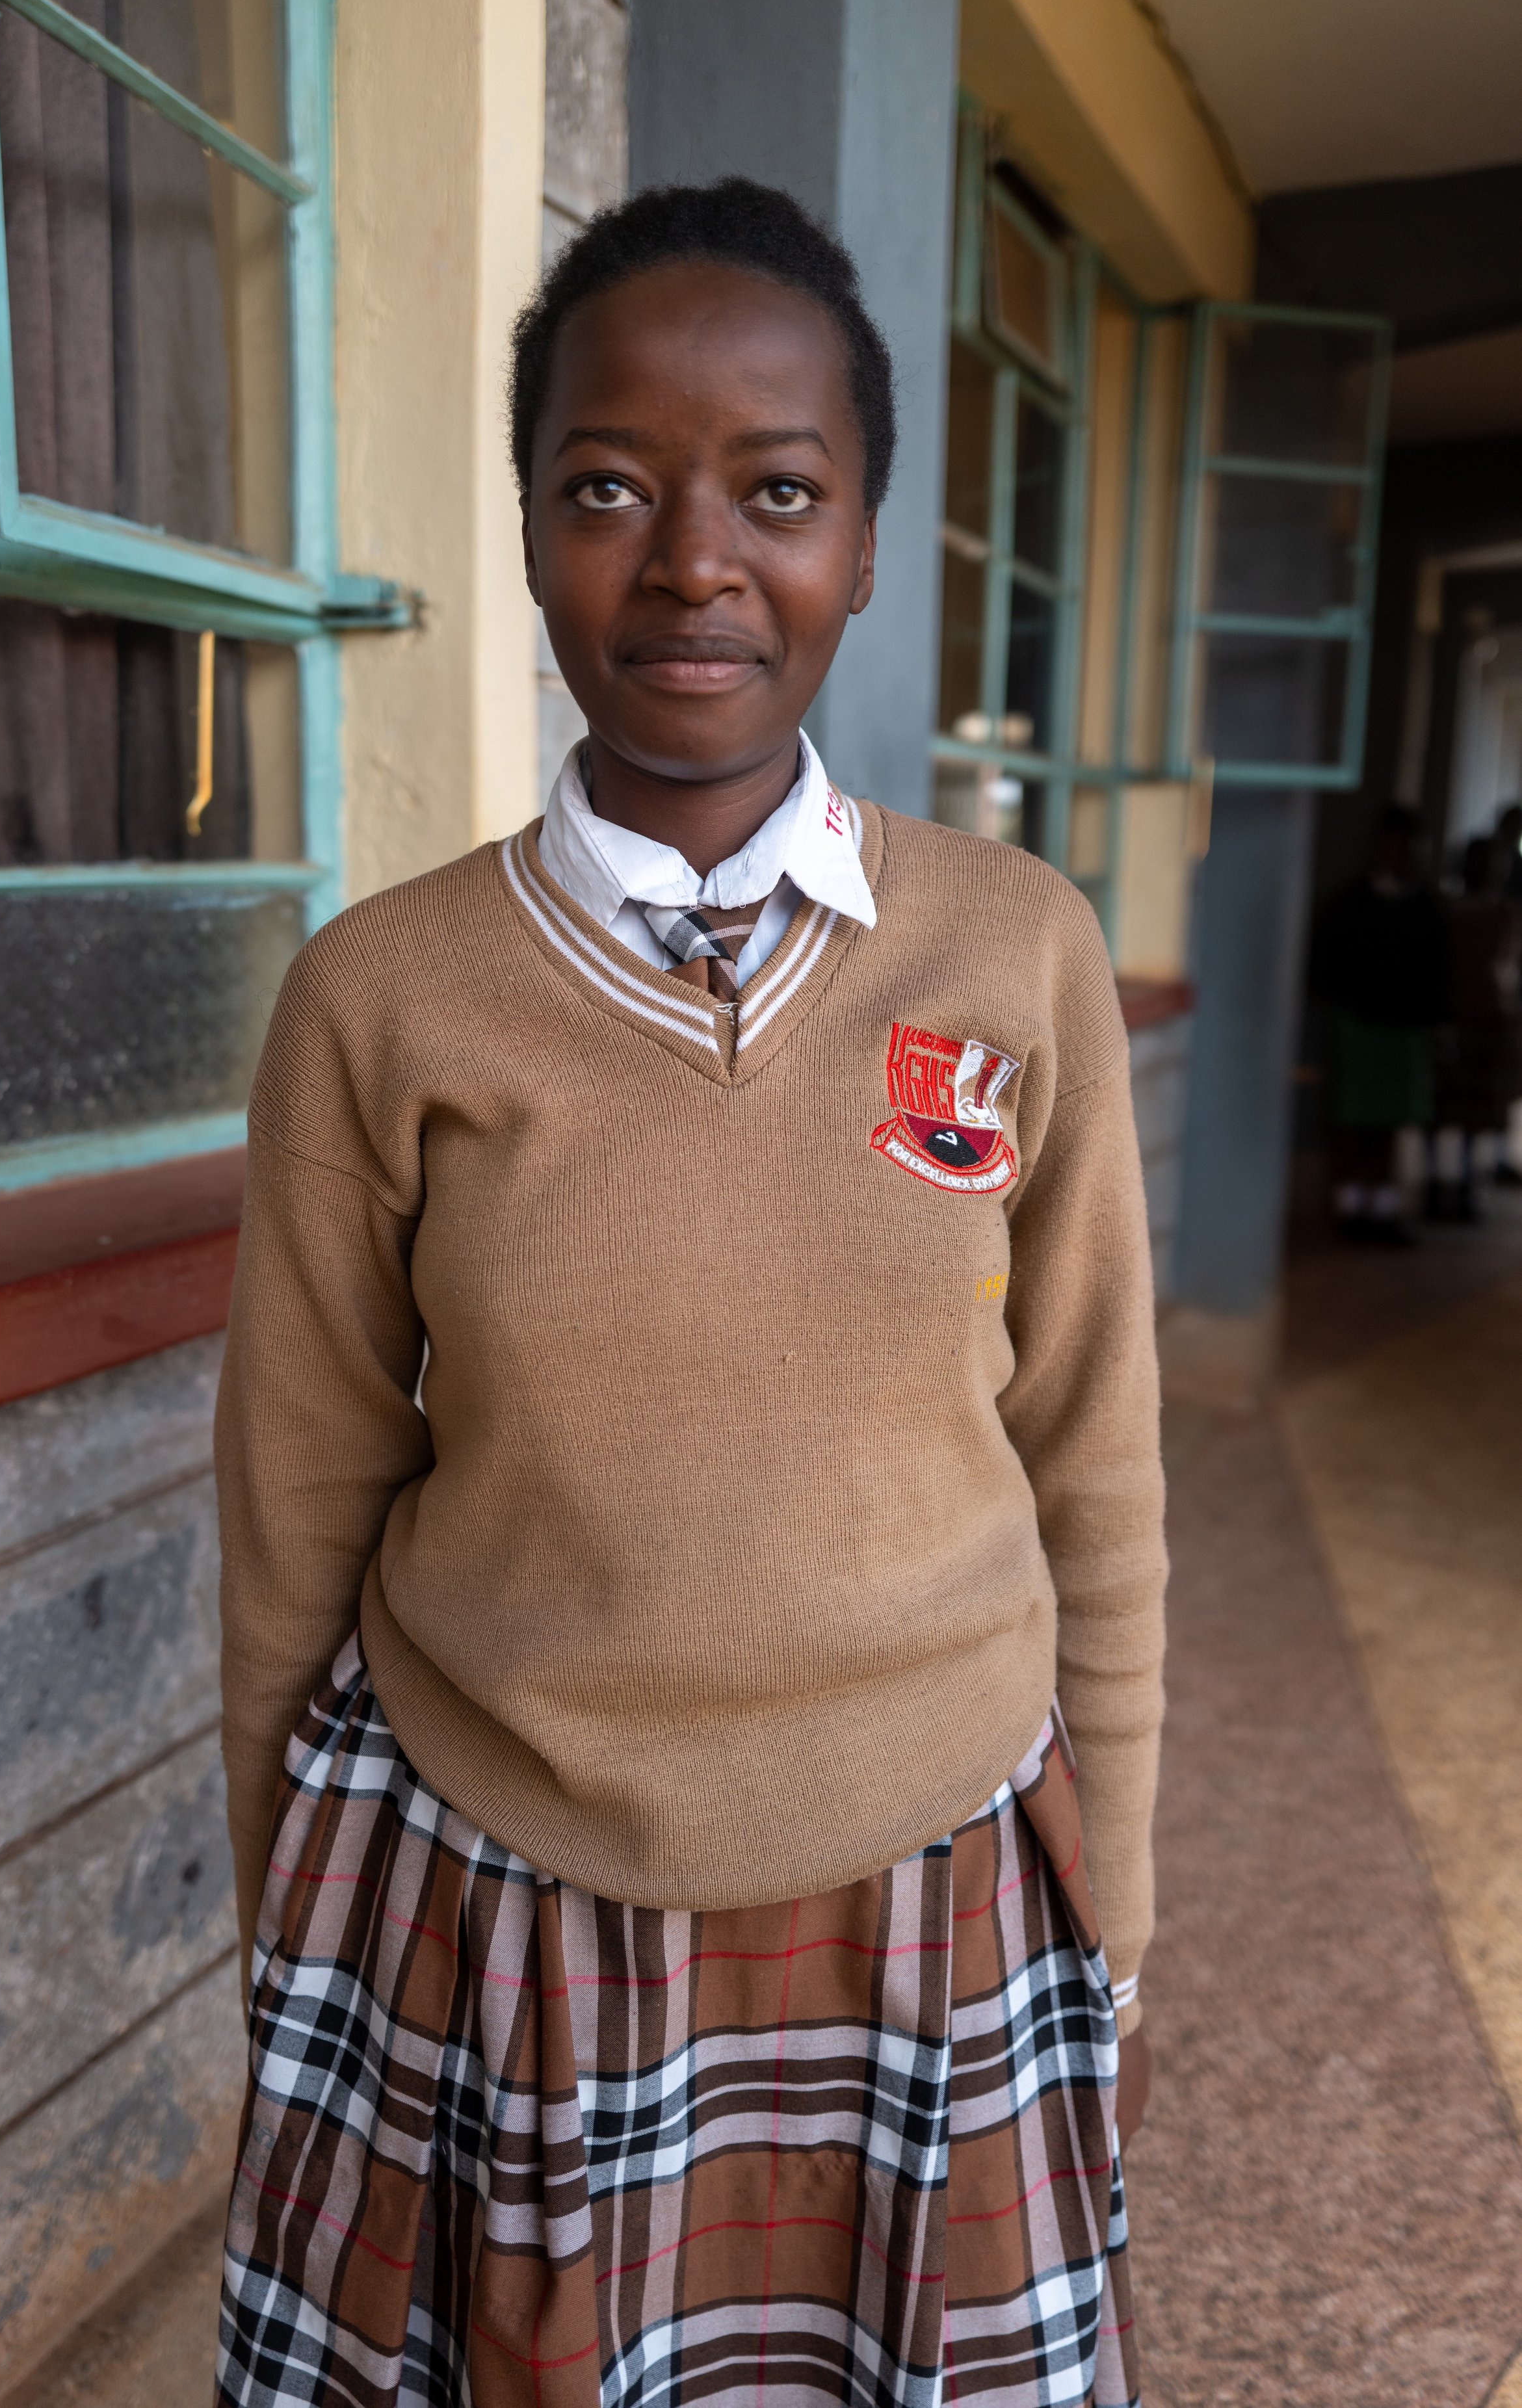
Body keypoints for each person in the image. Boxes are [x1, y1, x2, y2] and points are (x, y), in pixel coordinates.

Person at [213, 179, 1164, 2408]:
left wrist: (1108, 1896)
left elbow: (1093, 1459)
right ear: (535, 521)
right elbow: (298, 1501)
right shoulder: (383, 998)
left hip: (935, 1876)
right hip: (496, 1887)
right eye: (611, 485)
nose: (696, 561)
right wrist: (298, 1926)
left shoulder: (1011, 954)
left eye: (782, 491)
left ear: (867, 538)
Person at [1311, 802, 1449, 1245]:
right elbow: (1325, 964)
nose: (1403, 856)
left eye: (1412, 848)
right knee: (1353, 1119)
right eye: (1396, 846)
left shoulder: (1427, 908)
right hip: (1360, 1022)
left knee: (1390, 1122)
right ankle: (1349, 1207)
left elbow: (1440, 972)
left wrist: (1437, 1022)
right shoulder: (1349, 904)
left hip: (1404, 1026)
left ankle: (1382, 1209)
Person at [1428, 830, 1522, 1220]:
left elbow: (1507, 969)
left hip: (1489, 1019)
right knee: (1440, 1108)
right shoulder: (1449, 910)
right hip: (1453, 1017)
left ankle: (1465, 1182)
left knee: (1477, 1113)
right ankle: (1437, 1181)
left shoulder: (1504, 913)